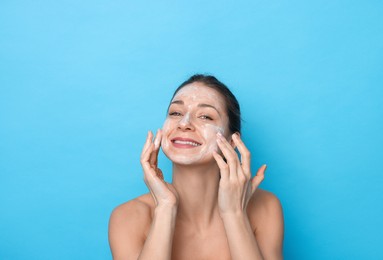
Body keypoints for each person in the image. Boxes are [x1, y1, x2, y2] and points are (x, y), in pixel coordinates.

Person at [109, 74, 284, 260]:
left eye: (206, 116)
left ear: (232, 141)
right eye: (175, 113)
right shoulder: (128, 217)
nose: (184, 124)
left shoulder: (265, 207)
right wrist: (165, 208)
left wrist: (234, 214)